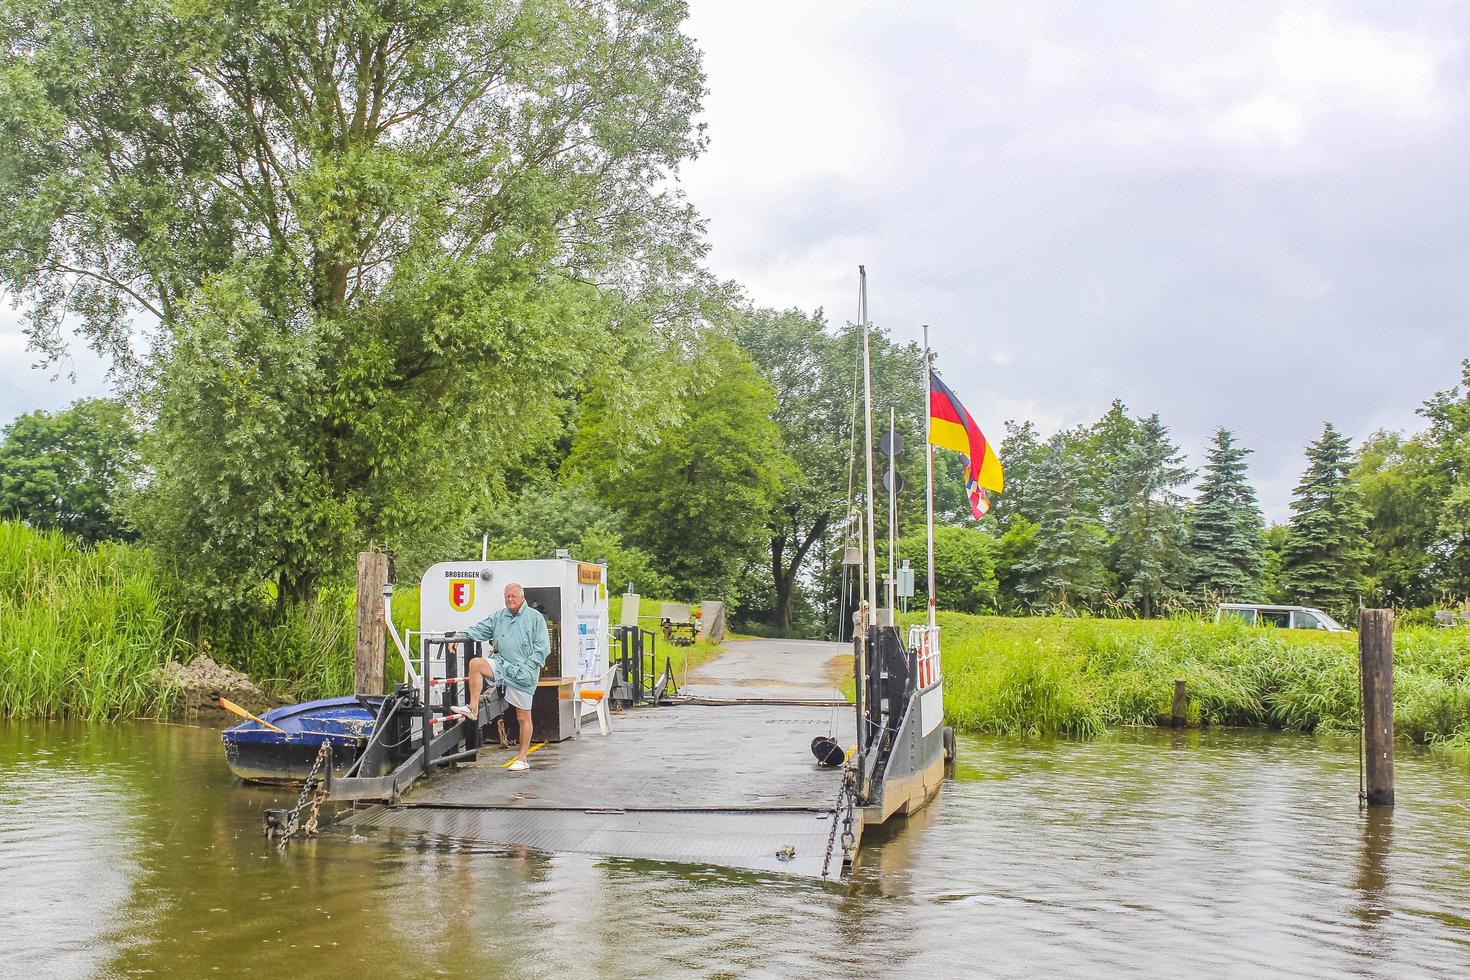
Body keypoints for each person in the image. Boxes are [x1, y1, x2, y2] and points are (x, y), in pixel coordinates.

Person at [451, 582, 550, 771]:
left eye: (513, 596)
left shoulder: (535, 618)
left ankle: (522, 758)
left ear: (522, 598)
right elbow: (480, 629)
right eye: (507, 597)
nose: (510, 599)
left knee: (523, 716)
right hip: (502, 665)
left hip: (523, 673)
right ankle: (472, 708)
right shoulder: (498, 617)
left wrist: (528, 668)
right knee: (476, 664)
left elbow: (542, 648)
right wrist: (459, 635)